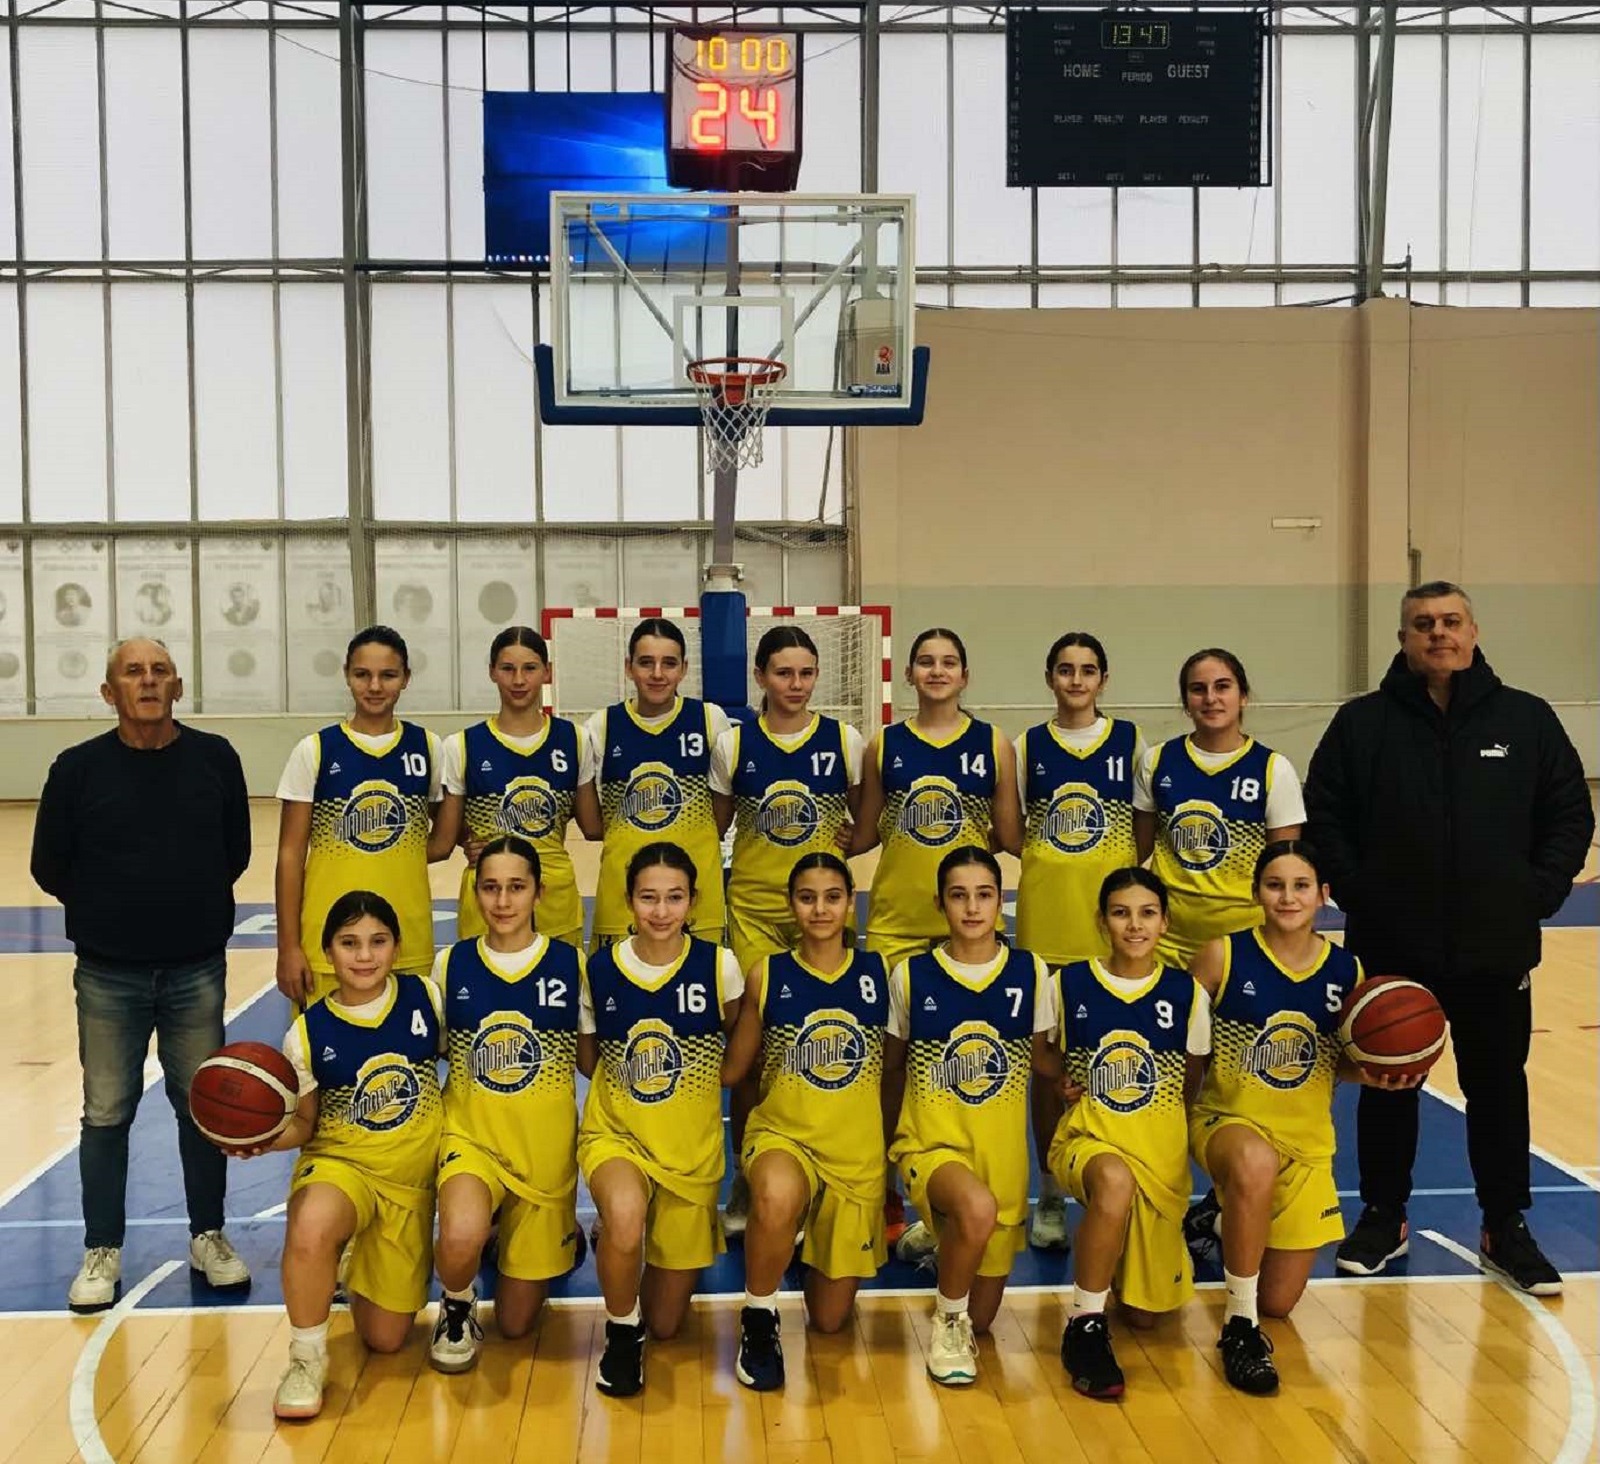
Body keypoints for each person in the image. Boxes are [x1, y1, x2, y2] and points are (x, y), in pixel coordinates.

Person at [1305, 581, 1593, 1294]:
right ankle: (1384, 1215)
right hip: (1392, 946)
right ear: (1403, 638)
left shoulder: (1524, 719)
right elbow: (1325, 814)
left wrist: (1536, 892)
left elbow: (1568, 813)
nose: (1438, 633)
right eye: (1423, 623)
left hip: (1494, 946)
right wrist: (1359, 890)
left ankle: (1505, 1224)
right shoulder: (1362, 724)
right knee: (1388, 1085)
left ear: (1473, 631)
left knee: (1497, 1089)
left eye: (1451, 621)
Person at [31, 638, 253, 1312]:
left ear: (178, 687)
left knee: (203, 1107)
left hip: (196, 968)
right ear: (110, 693)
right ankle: (102, 1249)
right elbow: (48, 865)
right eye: (133, 672)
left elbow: (235, 852)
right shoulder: (77, 769)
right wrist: (111, 911)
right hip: (108, 974)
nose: (148, 681)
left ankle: (208, 1235)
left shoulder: (216, 759)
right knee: (105, 1112)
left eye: (160, 671)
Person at [1186, 841, 1411, 1394]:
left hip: (1306, 1143)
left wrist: (1378, 1074)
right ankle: (1239, 1326)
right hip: (1228, 1121)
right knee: (1254, 1165)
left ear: (1323, 895)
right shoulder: (1222, 955)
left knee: (1279, 1302)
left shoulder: (1346, 970)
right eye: (1275, 885)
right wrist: (1172, 1123)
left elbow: (1339, 1061)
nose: (1288, 897)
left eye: (1301, 886)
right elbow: (1183, 1049)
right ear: (1256, 893)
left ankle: (1217, 1219)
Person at [246, 891, 444, 1421]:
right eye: (349, 943)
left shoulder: (426, 998)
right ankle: (305, 1358)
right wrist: (258, 1139)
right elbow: (304, 1124)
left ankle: (355, 1256)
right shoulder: (307, 1032)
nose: (364, 955)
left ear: (397, 947)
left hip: (410, 1185)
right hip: (343, 1165)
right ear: (328, 952)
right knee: (311, 1224)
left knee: (386, 1339)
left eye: (378, 941)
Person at [853, 628, 1022, 1243]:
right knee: (889, 1067)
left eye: (949, 661)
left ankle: (947, 1197)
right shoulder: (885, 745)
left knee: (958, 1066)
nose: (937, 670)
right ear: (908, 674)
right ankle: (886, 1192)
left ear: (965, 675)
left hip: (969, 927)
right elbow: (864, 831)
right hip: (897, 922)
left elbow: (1010, 834)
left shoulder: (993, 744)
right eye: (925, 661)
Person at [710, 626, 866, 1236]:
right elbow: (711, 826)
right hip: (754, 912)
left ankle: (822, 1173)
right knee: (753, 1055)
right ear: (760, 677)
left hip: (823, 914)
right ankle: (749, 1181)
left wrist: (855, 839)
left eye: (805, 673)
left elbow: (869, 816)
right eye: (783, 673)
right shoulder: (734, 744)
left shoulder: (844, 741)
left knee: (821, 1047)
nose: (795, 685)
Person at [576, 842, 744, 1398]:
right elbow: (588, 1059)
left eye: (674, 897)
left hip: (690, 1153)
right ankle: (622, 1332)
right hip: (617, 1135)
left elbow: (740, 1037)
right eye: (649, 897)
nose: (661, 910)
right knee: (625, 1218)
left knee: (668, 1323)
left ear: (693, 902)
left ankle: (629, 1260)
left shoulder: (718, 966)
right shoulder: (600, 969)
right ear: (628, 900)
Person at [884, 846, 1054, 1388]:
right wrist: (881, 1162)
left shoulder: (1031, 972)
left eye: (984, 895)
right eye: (959, 896)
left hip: (1001, 1161)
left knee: (984, 1318)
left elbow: (1044, 1060)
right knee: (975, 1212)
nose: (973, 907)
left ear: (1001, 900)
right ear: (940, 903)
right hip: (930, 1145)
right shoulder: (911, 977)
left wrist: (1078, 1078)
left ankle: (942, 1236)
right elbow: (891, 1070)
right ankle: (946, 1325)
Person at [721, 853, 888, 1390]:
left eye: (832, 897)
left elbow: (910, 1061)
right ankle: (759, 1317)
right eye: (807, 898)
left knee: (830, 1321)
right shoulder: (767, 974)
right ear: (791, 905)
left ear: (850, 903)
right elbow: (733, 1071)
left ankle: (795, 1240)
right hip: (783, 1135)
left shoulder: (881, 974)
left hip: (853, 1154)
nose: (820, 909)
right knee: (774, 1195)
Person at [1048, 868, 1208, 1400]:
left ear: (1165, 922)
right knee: (1114, 1182)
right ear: (1102, 921)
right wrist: (1063, 1078)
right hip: (1087, 1140)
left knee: (1145, 1317)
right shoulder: (1068, 984)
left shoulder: (1187, 994)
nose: (1134, 925)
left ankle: (1117, 1259)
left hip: (1157, 1155)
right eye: (1121, 913)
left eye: (1146, 913)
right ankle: (1084, 1323)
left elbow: (1189, 1081)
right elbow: (1043, 1054)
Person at [429, 837, 585, 1373]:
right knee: (459, 1235)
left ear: (539, 893)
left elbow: (595, 1060)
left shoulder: (571, 966)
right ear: (475, 893)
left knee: (517, 1326)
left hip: (544, 1158)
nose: (502, 901)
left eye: (516, 887)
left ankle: (525, 1237)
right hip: (472, 1139)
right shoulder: (450, 966)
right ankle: (457, 1302)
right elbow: (432, 1052)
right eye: (490, 887)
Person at [1015, 631, 1145, 1252]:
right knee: (1048, 1068)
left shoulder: (1130, 743)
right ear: (1050, 678)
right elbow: (1011, 830)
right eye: (1065, 669)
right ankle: (1049, 1192)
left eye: (1087, 670)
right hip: (1046, 926)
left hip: (1112, 932)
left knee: (1113, 1059)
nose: (1076, 680)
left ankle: (1112, 1181)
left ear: (1103, 679)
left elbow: (1144, 830)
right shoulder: (1027, 746)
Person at [274, 626, 444, 1004]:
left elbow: (445, 834)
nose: (375, 686)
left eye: (388, 675)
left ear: (406, 678)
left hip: (408, 939)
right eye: (362, 674)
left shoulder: (428, 747)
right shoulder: (315, 750)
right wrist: (288, 947)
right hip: (329, 941)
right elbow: (290, 854)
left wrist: (477, 842)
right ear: (347, 675)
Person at [1133, 648, 1304, 968]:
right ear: (1186, 702)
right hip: (1168, 943)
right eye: (1198, 689)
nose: (1211, 698)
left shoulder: (1273, 769)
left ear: (1243, 696)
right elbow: (1137, 852)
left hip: (1245, 943)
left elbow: (1285, 871)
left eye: (1222, 686)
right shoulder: (1157, 761)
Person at [574, 618, 733, 951]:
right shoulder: (601, 726)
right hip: (623, 899)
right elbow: (592, 826)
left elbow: (721, 817)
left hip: (698, 899)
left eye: (669, 663)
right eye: (646, 662)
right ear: (628, 667)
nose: (657, 674)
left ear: (684, 669)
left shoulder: (710, 720)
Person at [430, 627, 590, 947]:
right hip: (487, 903)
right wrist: (471, 841)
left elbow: (593, 824)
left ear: (547, 672)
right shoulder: (461, 746)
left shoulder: (575, 740)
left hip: (555, 900)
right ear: (492, 672)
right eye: (507, 668)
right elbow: (444, 835)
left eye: (529, 668)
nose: (519, 680)